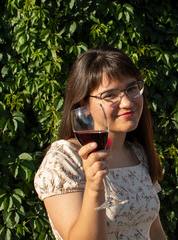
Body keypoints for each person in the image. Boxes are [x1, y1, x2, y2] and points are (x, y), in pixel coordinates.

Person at [34, 45, 167, 240]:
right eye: (110, 95)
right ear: (84, 105)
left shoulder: (138, 153)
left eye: (132, 88)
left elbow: (154, 232)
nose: (128, 102)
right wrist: (95, 187)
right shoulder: (65, 159)